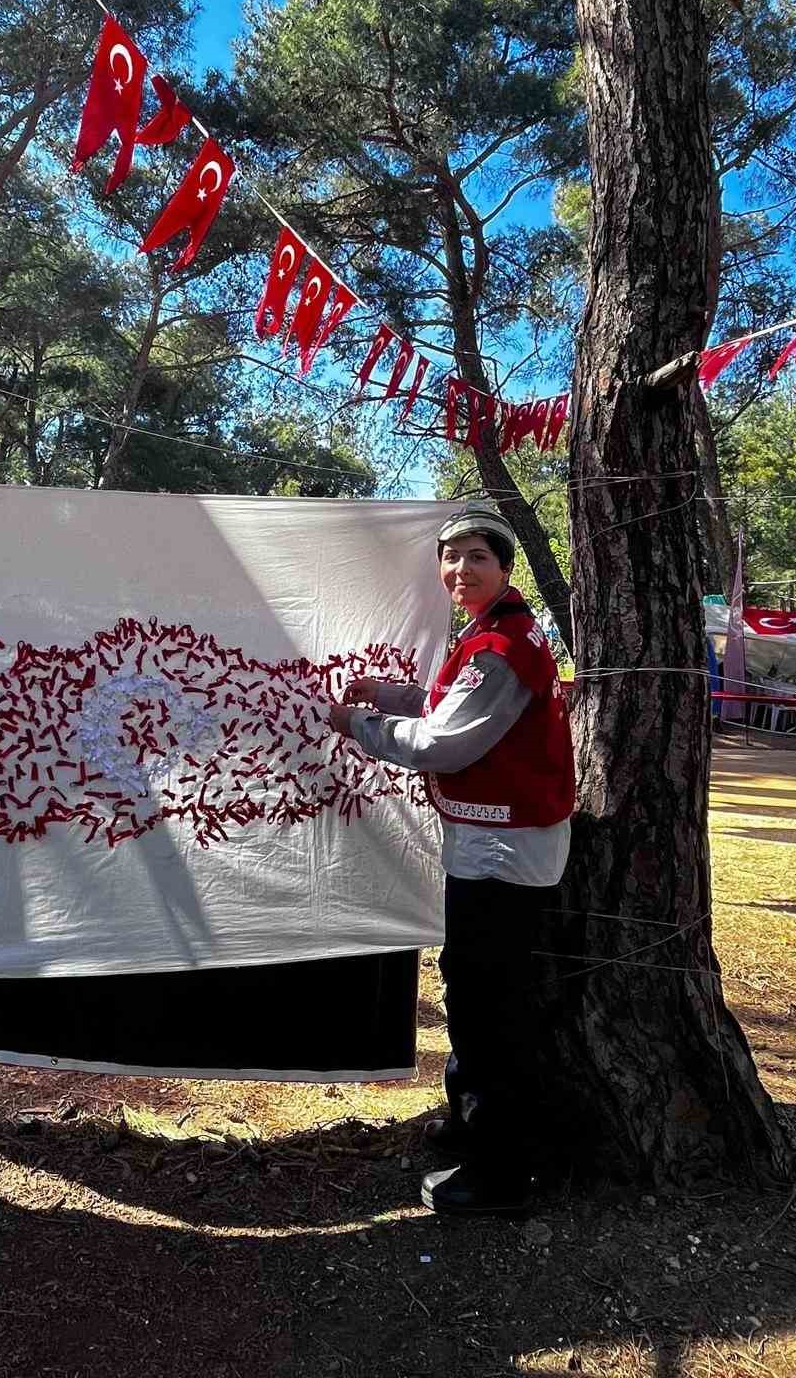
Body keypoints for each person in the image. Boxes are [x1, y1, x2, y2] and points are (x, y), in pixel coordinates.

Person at [327, 502, 575, 1218]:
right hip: (492, 839)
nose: (459, 570)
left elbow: (445, 744)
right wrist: (392, 694)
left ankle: (500, 1174)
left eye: (477, 558)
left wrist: (359, 724)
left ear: (505, 568)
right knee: (471, 986)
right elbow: (449, 706)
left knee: (488, 1003)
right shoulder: (492, 636)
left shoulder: (502, 647)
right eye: (451, 557)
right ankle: (472, 1123)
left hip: (505, 849)